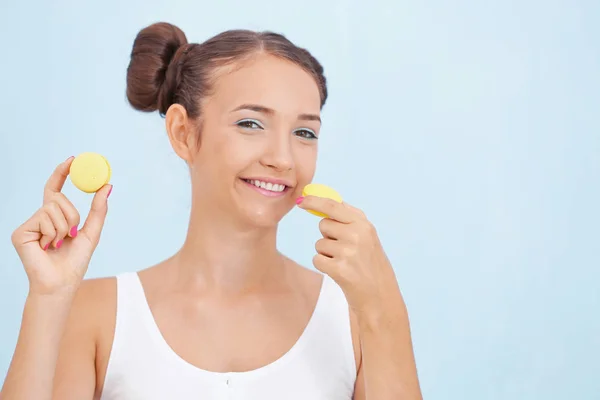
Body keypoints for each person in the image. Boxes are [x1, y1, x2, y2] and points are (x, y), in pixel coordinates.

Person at [1, 22, 422, 400]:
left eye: (304, 132)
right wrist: (49, 299)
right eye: (251, 124)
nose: (283, 158)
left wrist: (385, 305)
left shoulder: (353, 318)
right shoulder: (95, 315)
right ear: (183, 133)